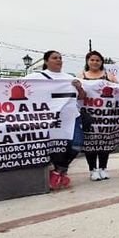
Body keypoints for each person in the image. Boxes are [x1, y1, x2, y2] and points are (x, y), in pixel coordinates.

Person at [25, 50, 86, 189]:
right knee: (56, 146)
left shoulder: (69, 78)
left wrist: (79, 87)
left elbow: (81, 96)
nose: (58, 60)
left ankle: (58, 171)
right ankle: (60, 173)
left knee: (76, 144)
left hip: (71, 117)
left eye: (60, 58)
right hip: (50, 118)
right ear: (46, 61)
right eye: (54, 58)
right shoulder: (35, 77)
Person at [78, 50, 118, 181]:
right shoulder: (82, 76)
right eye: (92, 60)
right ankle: (92, 169)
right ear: (87, 62)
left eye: (97, 60)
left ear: (101, 62)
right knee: (90, 142)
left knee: (104, 140)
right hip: (88, 114)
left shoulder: (109, 76)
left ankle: (103, 167)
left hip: (106, 115)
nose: (95, 62)